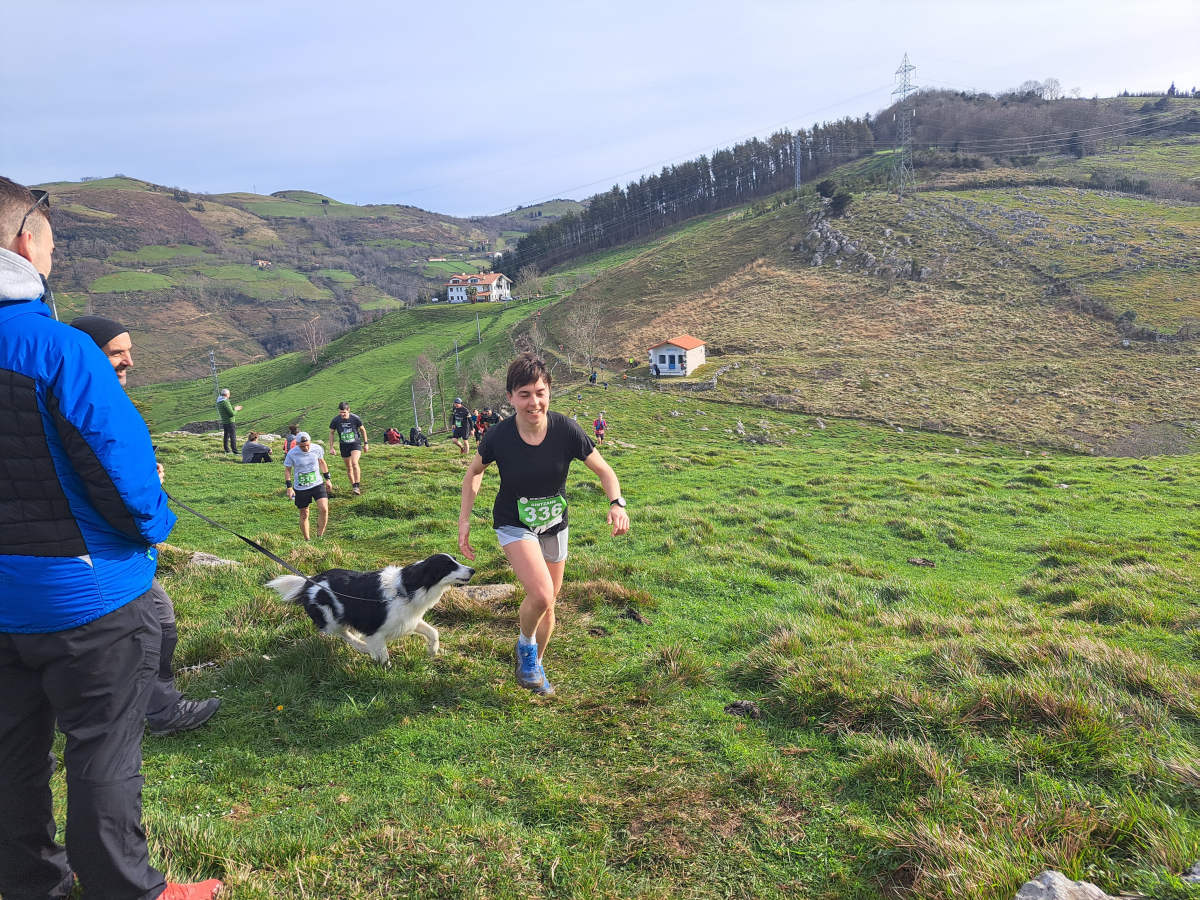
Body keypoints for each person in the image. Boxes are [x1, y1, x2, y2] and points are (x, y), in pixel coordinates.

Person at [0, 178, 223, 900]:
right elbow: (125, 483)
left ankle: (31, 885)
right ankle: (126, 890)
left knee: (11, 756)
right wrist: (157, 527)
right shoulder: (58, 350)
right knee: (101, 750)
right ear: (24, 241)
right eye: (52, 243)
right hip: (86, 596)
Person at [69, 314, 222, 740]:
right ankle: (148, 712)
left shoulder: (93, 399)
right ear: (88, 354)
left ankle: (154, 705)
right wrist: (148, 497)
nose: (129, 361)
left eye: (129, 351)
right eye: (116, 353)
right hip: (98, 551)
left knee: (158, 620)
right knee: (148, 624)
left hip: (110, 548)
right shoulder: (85, 406)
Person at [458, 353, 630, 696]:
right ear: (510, 397)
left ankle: (534, 664)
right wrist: (465, 520)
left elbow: (604, 470)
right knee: (541, 594)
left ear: (549, 392)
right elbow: (474, 473)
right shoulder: (499, 436)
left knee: (549, 603)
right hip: (513, 522)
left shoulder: (566, 430)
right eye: (524, 394)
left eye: (540, 393)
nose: (533, 402)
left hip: (555, 523)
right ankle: (525, 645)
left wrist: (616, 503)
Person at [284, 432, 333, 540]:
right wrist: (289, 487)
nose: (305, 448)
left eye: (307, 445)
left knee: (324, 509)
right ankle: (307, 539)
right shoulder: (292, 453)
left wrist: (328, 479)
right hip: (301, 487)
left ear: (310, 442)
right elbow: (287, 470)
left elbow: (322, 462)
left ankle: (320, 536)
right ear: (297, 444)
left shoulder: (317, 448)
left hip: (317, 484)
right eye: (302, 446)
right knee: (304, 513)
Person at [329, 401, 368, 495]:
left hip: (355, 444)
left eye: (344, 412)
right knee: (349, 467)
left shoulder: (355, 418)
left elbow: (363, 430)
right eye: (340, 412)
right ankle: (354, 486)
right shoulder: (335, 420)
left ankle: (357, 486)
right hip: (344, 445)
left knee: (354, 462)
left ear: (348, 410)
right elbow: (331, 433)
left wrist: (366, 443)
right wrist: (331, 447)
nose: (342, 414)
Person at [215, 387, 242, 455]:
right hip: (230, 421)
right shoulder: (225, 402)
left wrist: (233, 408)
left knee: (226, 435)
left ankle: (227, 449)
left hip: (224, 421)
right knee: (233, 436)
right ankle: (235, 451)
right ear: (227, 394)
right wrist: (236, 409)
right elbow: (231, 414)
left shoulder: (219, 401)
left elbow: (226, 411)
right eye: (229, 394)